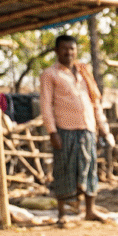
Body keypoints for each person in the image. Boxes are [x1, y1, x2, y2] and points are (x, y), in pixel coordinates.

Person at [40, 34, 110, 226]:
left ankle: (90, 210)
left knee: (89, 168)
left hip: (87, 128)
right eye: (64, 48)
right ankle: (62, 213)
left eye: (72, 49)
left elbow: (95, 102)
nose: (69, 52)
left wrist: (103, 128)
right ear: (56, 51)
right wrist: (52, 131)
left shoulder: (83, 72)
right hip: (65, 130)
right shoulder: (50, 74)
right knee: (64, 169)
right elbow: (46, 105)